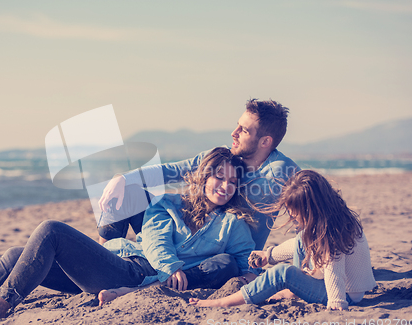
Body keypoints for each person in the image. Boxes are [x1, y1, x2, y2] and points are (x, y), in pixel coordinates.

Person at [0, 148, 258, 325]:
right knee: (14, 255)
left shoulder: (233, 224)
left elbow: (243, 261)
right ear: (203, 176)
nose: (224, 187)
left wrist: (246, 274)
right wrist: (172, 268)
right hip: (120, 264)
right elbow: (154, 239)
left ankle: (0, 306)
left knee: (51, 230)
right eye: (218, 178)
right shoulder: (168, 203)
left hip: (135, 274)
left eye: (231, 182)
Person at [98, 97, 300, 250]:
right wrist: (124, 178)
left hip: (222, 256)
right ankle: (102, 260)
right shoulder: (222, 157)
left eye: (244, 130)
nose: (234, 132)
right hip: (183, 236)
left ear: (265, 142)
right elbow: (173, 171)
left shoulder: (282, 171)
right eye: (237, 125)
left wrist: (306, 268)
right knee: (128, 192)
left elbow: (310, 218)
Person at [189, 170, 377, 310]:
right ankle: (293, 291)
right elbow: (298, 244)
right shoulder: (333, 218)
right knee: (302, 238)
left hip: (344, 294)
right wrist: (268, 255)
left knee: (282, 273)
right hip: (343, 287)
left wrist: (336, 303)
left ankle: (222, 303)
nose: (292, 215)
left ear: (312, 207)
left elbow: (333, 270)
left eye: (295, 211)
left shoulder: (330, 233)